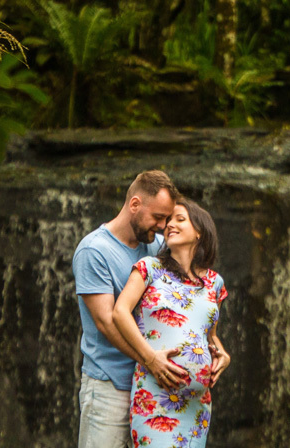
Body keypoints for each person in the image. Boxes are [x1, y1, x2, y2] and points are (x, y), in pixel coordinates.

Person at [73, 170, 180, 448]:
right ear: (134, 204)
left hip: (152, 387)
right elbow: (107, 322)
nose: (162, 226)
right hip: (110, 386)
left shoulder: (158, 247)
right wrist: (151, 360)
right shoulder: (94, 251)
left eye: (167, 218)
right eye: (157, 217)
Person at [113, 199, 230, 448]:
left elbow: (209, 334)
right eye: (168, 221)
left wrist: (223, 354)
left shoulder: (215, 283)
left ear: (199, 232)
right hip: (155, 395)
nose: (170, 225)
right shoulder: (149, 268)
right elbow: (120, 312)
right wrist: (149, 358)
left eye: (180, 219)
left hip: (197, 406)